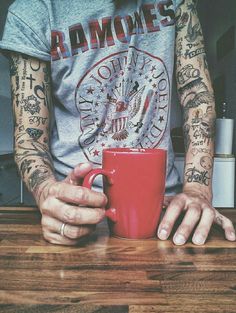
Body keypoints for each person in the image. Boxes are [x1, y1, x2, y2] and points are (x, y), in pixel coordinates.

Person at [0, 0, 235, 246]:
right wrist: (48, 192)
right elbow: (30, 137)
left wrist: (197, 190)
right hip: (73, 210)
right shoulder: (34, 10)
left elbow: (196, 94)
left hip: (164, 209)